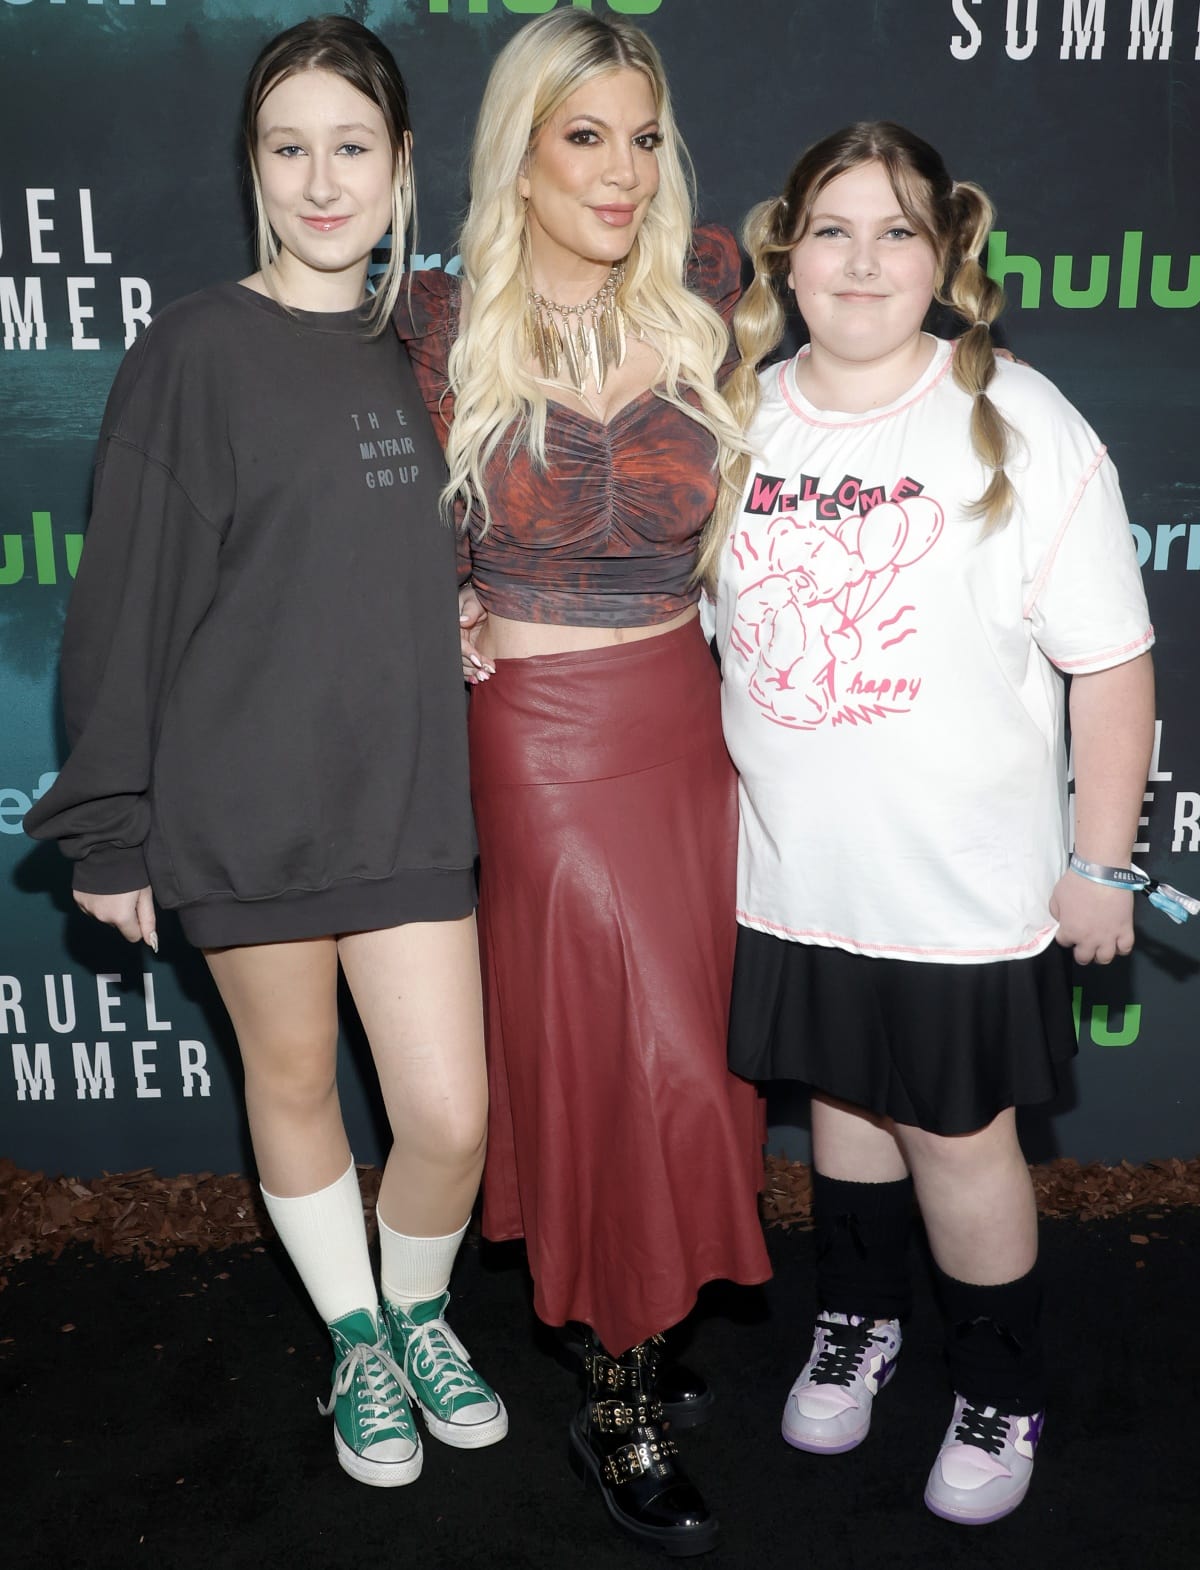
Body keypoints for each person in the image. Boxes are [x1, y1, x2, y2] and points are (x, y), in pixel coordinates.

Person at [25, 15, 506, 1490]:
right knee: (292, 1083)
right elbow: (124, 604)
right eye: (288, 148)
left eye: (350, 147)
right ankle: (360, 1341)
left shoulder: (434, 344)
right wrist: (111, 830)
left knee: (448, 1113)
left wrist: (476, 597)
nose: (320, 179)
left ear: (402, 162)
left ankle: (420, 1309)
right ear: (253, 167)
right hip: (245, 801)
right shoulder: (195, 348)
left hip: (410, 795)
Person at [704, 121, 1154, 1526]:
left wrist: (1101, 857)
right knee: (844, 1110)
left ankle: (1000, 1384)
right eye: (833, 227)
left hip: (962, 894)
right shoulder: (738, 416)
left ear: (949, 253)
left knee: (959, 1140)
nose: (862, 259)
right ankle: (860, 1321)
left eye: (897, 229)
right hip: (792, 881)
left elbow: (1116, 661)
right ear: (787, 251)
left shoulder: (1018, 413)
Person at [397, 10, 769, 1556]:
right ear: (522, 151)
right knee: (629, 1057)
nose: (624, 173)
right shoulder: (436, 320)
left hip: (693, 729)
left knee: (701, 1050)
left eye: (642, 136)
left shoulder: (712, 288)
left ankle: (646, 1326)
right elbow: (355, 527)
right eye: (585, 137)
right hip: (541, 744)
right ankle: (612, 1383)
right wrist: (443, 606)